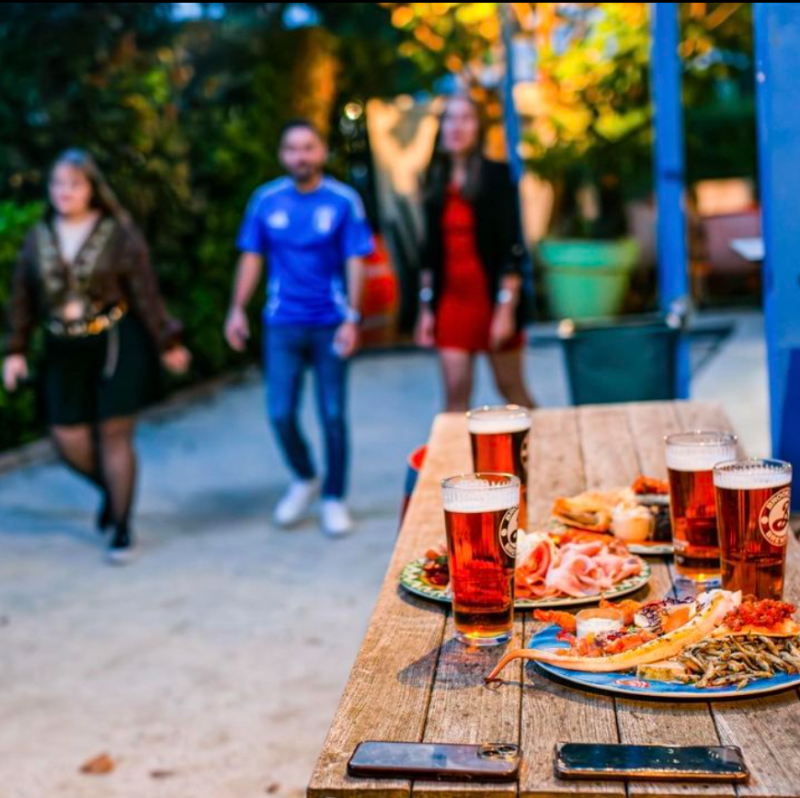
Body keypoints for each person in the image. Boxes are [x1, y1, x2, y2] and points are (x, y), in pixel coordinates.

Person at [2, 148, 191, 563]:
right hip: (61, 346)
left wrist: (167, 340)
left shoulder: (117, 231)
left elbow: (145, 290)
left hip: (114, 343)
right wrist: (14, 350)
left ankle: (121, 526)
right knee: (66, 437)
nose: (64, 191)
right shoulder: (40, 237)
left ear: (91, 188)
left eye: (74, 183)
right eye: (57, 184)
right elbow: (22, 298)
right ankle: (113, 490)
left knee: (113, 434)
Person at [225, 119, 373, 536]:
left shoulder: (344, 201)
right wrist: (237, 309)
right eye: (292, 148)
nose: (300, 156)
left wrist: (353, 318)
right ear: (281, 155)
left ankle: (334, 498)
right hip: (282, 323)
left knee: (332, 414)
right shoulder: (265, 201)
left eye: (308, 147)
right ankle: (305, 476)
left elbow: (356, 259)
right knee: (280, 412)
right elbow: (251, 256)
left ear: (322, 151)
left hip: (331, 322)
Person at [415, 94, 535, 412]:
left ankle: (548, 450)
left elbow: (513, 246)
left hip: (493, 298)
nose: (457, 126)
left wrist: (506, 308)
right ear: (440, 126)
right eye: (450, 118)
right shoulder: (434, 180)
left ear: (478, 127)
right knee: (455, 397)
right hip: (451, 302)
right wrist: (426, 308)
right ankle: (457, 461)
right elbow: (428, 253)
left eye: (466, 118)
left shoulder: (497, 176)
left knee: (512, 390)